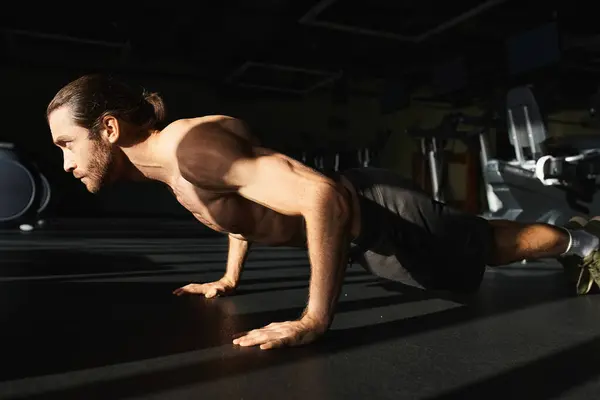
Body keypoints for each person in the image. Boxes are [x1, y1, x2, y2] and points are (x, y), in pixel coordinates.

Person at [46, 74, 600, 350]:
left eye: (67, 144)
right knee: (475, 243)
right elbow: (241, 208)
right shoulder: (171, 168)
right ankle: (578, 240)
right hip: (367, 233)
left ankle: (584, 244)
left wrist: (314, 319)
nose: (66, 163)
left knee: (487, 247)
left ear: (109, 129)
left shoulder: (193, 149)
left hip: (381, 215)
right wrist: (228, 277)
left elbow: (322, 200)